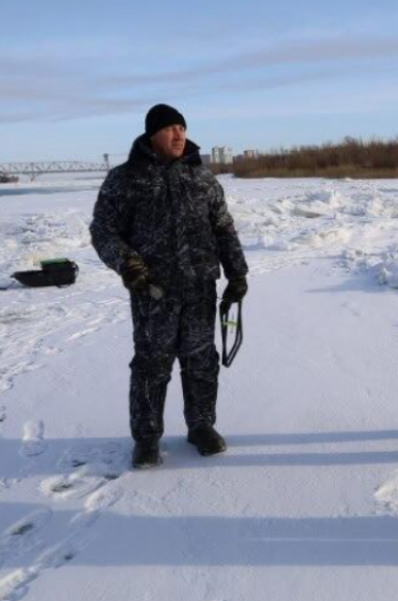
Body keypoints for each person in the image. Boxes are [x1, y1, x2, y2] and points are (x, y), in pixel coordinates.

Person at [90, 104, 249, 469]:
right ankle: (146, 439)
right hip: (152, 292)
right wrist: (128, 264)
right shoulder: (125, 179)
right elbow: (103, 230)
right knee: (151, 365)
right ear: (151, 136)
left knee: (201, 361)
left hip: (199, 289)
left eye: (182, 127)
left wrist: (237, 273)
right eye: (169, 129)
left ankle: (201, 426)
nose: (178, 135)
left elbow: (223, 227)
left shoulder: (202, 178)